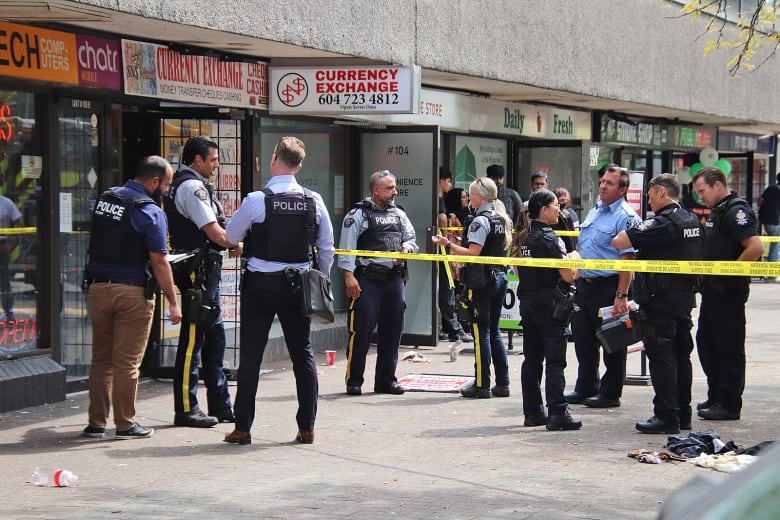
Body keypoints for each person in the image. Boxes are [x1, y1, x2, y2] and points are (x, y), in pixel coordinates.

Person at [223, 136, 334, 445]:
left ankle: (243, 428)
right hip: (298, 285)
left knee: (251, 357)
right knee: (303, 355)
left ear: (274, 159)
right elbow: (326, 248)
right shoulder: (314, 200)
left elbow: (232, 235)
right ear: (299, 166)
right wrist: (320, 280)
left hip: (260, 285)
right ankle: (306, 427)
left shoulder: (257, 200)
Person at [82, 156, 182, 440]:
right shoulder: (150, 212)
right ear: (154, 181)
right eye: (166, 184)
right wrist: (173, 301)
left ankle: (96, 423)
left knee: (101, 359)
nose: (166, 189)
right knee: (127, 362)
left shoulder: (105, 200)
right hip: (132, 293)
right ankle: (125, 424)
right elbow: (160, 262)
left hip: (98, 288)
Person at [612, 174, 702, 434]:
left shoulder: (662, 223)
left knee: (661, 357)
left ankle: (666, 415)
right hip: (684, 299)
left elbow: (619, 241)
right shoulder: (691, 219)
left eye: (650, 195)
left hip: (660, 301)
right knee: (680, 355)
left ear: (662, 193)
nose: (648, 200)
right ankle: (683, 413)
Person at [165, 135, 242, 428]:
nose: (217, 165)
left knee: (215, 339)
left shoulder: (188, 184)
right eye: (213, 159)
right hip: (198, 272)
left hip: (206, 272)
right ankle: (185, 408)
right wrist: (233, 241)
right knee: (193, 341)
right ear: (197, 160)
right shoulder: (192, 187)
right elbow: (213, 231)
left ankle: (221, 405)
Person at [565, 166, 641, 408]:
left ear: (623, 189)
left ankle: (610, 393)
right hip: (585, 285)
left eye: (610, 183)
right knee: (584, 340)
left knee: (612, 342)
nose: (603, 186)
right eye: (602, 182)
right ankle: (586, 386)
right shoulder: (596, 210)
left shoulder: (626, 216)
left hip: (609, 285)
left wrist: (621, 294)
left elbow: (627, 260)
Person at [692, 166, 763, 421]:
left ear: (718, 185)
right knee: (707, 345)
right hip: (712, 292)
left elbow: (755, 247)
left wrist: (731, 275)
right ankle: (716, 396)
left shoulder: (736, 211)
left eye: (703, 191)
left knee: (728, 349)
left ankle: (729, 403)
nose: (701, 197)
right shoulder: (718, 211)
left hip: (727, 294)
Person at [339, 170, 418, 396]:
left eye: (394, 187)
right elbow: (346, 248)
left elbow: (411, 239)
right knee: (361, 331)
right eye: (390, 188)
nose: (395, 191)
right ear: (376, 190)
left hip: (394, 279)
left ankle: (386, 381)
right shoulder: (358, 215)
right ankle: (354, 381)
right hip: (367, 280)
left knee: (392, 331)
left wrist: (407, 249)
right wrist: (348, 276)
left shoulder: (399, 214)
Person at [432, 177, 511, 398]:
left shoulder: (480, 221)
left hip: (482, 281)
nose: (469, 198)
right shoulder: (502, 218)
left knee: (481, 332)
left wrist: (449, 244)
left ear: (482, 197)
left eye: (472, 194)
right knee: (494, 331)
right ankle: (502, 383)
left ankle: (481, 384)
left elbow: (474, 252)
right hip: (499, 276)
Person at [514, 189, 581, 429]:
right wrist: (575, 258)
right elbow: (568, 275)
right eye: (555, 206)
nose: (559, 211)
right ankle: (557, 413)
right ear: (544, 210)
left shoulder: (522, 236)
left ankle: (532, 413)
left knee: (531, 360)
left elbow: (517, 270)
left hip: (529, 301)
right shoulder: (551, 239)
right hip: (550, 304)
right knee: (554, 361)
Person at [437, 169, 472, 343]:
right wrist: (445, 237)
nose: (450, 186)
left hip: (439, 248)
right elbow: (442, 219)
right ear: (441, 181)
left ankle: (445, 326)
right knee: (447, 286)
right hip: (441, 250)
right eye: (449, 181)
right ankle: (454, 329)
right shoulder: (439, 199)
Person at [0, 194, 23, 319]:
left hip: (1, 248)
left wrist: (13, 243)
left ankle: (9, 313)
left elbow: (20, 222)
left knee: (4, 282)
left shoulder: (6, 203)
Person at [758, 172, 780, 270]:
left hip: (766, 221)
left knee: (774, 244)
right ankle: (772, 272)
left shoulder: (770, 188)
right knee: (775, 246)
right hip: (777, 221)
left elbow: (760, 201)